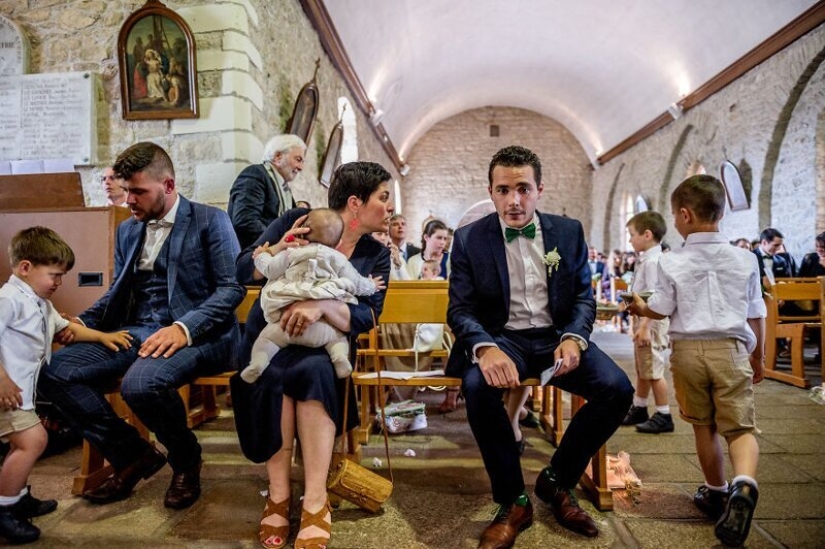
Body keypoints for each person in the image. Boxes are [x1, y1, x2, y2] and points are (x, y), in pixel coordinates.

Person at [39, 142, 245, 510]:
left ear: (168, 185)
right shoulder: (128, 231)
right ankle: (132, 455)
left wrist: (182, 328)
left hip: (203, 333)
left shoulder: (211, 220)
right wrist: (82, 322)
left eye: (138, 191)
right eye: (127, 190)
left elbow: (231, 289)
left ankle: (186, 460)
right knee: (56, 371)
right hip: (137, 330)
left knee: (142, 384)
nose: (129, 199)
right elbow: (119, 293)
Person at [446, 145, 633, 545]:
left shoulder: (567, 232)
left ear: (539, 189)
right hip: (503, 338)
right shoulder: (468, 239)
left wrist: (573, 338)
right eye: (503, 190)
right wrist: (484, 347)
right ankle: (513, 500)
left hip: (555, 337)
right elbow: (460, 309)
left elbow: (584, 296)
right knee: (477, 387)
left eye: (523, 188)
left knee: (618, 390)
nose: (514, 200)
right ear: (491, 191)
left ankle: (557, 479)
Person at [233, 161, 392, 549]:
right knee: (268, 375)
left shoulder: (375, 254)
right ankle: (279, 493)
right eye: (384, 198)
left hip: (325, 343)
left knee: (316, 372)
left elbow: (367, 314)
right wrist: (281, 246)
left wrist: (319, 306)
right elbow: (242, 269)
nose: (389, 208)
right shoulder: (297, 220)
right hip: (269, 337)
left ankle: (316, 500)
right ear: (355, 203)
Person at [628, 174, 765, 548]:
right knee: (740, 428)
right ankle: (744, 486)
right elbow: (756, 314)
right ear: (720, 212)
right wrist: (759, 357)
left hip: (688, 353)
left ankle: (716, 491)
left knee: (703, 426)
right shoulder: (746, 258)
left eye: (674, 215)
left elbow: (660, 308)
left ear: (685, 215)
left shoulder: (671, 261)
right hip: (732, 349)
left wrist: (641, 306)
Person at [0, 227, 132, 544]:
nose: (59, 282)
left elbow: (66, 328)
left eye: (62, 276)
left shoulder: (40, 302)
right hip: (6, 393)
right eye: (54, 275)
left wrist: (102, 336)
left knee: (23, 444)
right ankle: (4, 509)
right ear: (25, 267)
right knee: (32, 441)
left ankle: (17, 495)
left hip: (21, 393)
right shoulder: (8, 299)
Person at [241, 208, 384, 383]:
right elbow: (356, 283)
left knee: (266, 339)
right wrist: (372, 285)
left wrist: (261, 255)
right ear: (338, 242)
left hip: (284, 324)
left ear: (303, 232)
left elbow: (270, 269)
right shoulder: (338, 259)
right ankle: (339, 358)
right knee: (337, 339)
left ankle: (257, 363)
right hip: (321, 328)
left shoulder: (291, 253)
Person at [621, 211, 674, 434]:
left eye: (632, 235)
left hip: (649, 323)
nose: (630, 239)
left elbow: (654, 298)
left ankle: (664, 414)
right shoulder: (648, 259)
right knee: (644, 368)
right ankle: (640, 406)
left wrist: (645, 327)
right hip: (643, 321)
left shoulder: (653, 261)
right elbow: (640, 293)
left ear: (647, 234)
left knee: (653, 369)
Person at [228, 134, 306, 250]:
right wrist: (280, 243)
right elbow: (245, 221)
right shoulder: (256, 174)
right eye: (298, 159)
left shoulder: (285, 190)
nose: (301, 167)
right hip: (249, 255)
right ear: (278, 156)